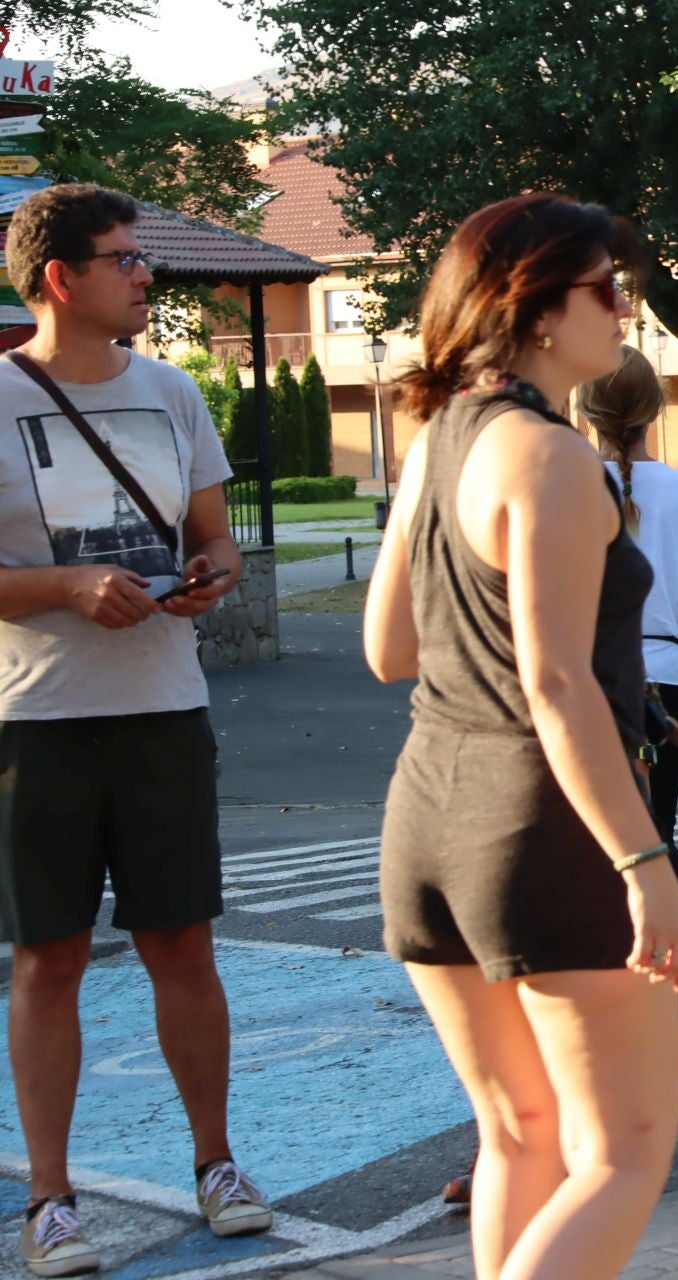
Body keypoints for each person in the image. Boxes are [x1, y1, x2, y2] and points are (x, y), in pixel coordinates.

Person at [364, 193, 678, 1280]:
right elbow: (559, 688)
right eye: (608, 288)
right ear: (537, 309)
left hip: (428, 814)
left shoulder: (437, 440)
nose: (626, 311)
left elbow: (389, 648)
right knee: (626, 1149)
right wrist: (645, 865)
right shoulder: (551, 458)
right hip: (544, 826)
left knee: (520, 1128)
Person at [0, 183, 270, 1278]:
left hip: (166, 709)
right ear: (61, 278)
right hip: (38, 722)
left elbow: (216, 536)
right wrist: (68, 582)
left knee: (182, 944)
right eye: (124, 259)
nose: (145, 275)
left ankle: (219, 1163)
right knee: (48, 956)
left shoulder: (173, 394)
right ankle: (52, 1199)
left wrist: (212, 573)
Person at [579, 345, 678, 903]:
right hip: (666, 683)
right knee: (658, 830)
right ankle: (669, 957)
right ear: (655, 411)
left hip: (586, 680)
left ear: (586, 410)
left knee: (592, 833)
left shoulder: (563, 487)